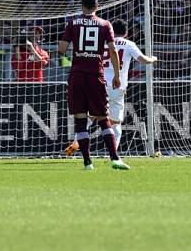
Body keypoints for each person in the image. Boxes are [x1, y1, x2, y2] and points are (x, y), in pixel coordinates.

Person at [65, 19, 158, 156]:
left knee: (91, 117)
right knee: (115, 123)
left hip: (99, 83)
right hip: (117, 86)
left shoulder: (103, 42)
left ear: (112, 31)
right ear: (126, 33)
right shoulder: (129, 44)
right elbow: (142, 60)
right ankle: (113, 154)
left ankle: (76, 143)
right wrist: (153, 59)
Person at [58, 0, 130, 170]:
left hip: (77, 75)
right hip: (95, 75)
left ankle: (87, 163)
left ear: (81, 6)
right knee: (103, 118)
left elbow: (61, 50)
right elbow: (112, 51)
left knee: (81, 120)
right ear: (97, 6)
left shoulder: (72, 23)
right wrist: (116, 75)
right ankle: (114, 158)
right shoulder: (105, 24)